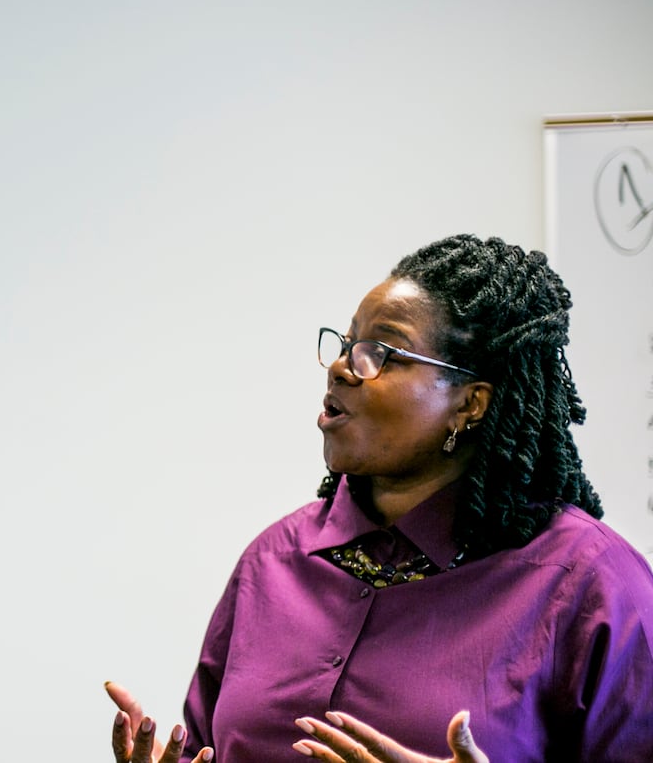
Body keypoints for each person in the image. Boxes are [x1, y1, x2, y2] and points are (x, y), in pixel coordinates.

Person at [106, 234, 653, 763]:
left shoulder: (589, 584)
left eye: (381, 353)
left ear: (470, 403)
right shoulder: (272, 562)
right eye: (346, 345)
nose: (343, 366)